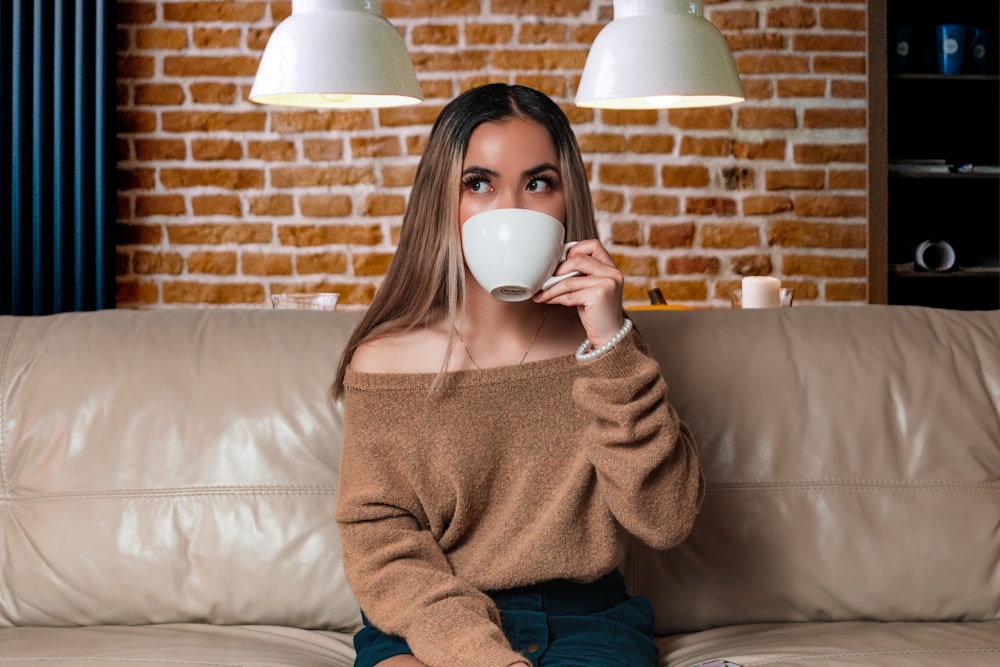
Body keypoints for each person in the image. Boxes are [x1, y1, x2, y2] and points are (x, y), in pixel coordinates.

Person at [332, 83, 704, 667]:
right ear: (442, 202)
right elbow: (382, 546)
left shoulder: (606, 347)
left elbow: (666, 519)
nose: (509, 210)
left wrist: (611, 340)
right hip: (429, 619)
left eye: (538, 183)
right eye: (478, 184)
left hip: (587, 621)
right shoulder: (383, 360)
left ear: (565, 203)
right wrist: (480, 656)